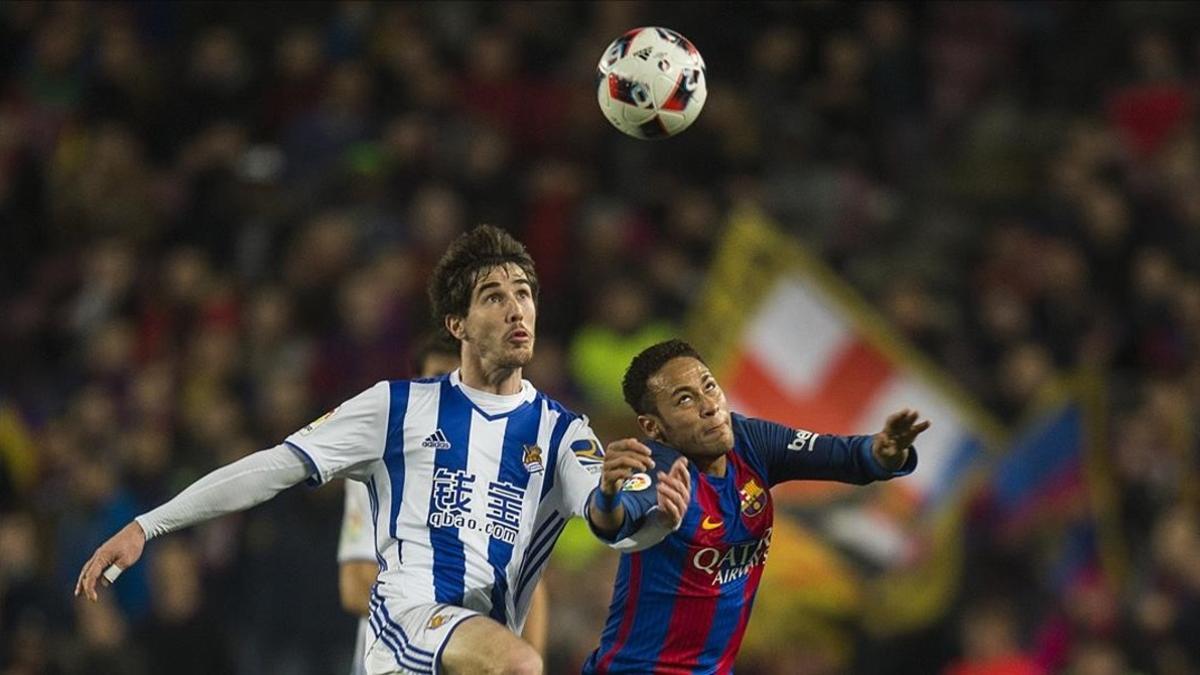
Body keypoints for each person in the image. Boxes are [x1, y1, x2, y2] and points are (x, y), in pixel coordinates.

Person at [76, 225, 689, 675]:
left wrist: (647, 510)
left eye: (524, 293)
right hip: (406, 626)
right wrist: (147, 526)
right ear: (458, 324)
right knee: (524, 666)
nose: (516, 308)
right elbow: (273, 468)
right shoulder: (397, 406)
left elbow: (611, 523)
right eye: (494, 296)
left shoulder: (563, 432)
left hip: (475, 653)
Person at [582, 339, 927, 674]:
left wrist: (884, 452)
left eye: (709, 386)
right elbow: (616, 521)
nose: (710, 405)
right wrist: (609, 495)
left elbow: (846, 456)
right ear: (653, 427)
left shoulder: (751, 443)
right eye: (685, 399)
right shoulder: (656, 469)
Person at [337, 332, 551, 674]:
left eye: (460, 381)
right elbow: (355, 585)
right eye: (435, 378)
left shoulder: (503, 471)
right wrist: (448, 628)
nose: (447, 393)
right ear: (415, 382)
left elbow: (528, 589)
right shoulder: (380, 463)